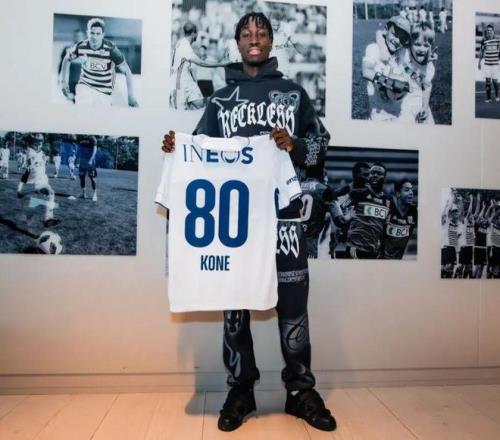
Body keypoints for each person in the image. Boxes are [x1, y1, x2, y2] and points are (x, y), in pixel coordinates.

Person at [161, 12, 335, 433]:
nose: (254, 38)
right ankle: (241, 389)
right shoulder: (220, 100)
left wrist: (295, 145)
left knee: (294, 307)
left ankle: (300, 391)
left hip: (284, 222)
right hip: (236, 227)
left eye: (261, 32)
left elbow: (321, 147)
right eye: (246, 33)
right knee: (234, 307)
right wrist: (177, 148)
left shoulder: (294, 94)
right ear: (237, 42)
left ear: (271, 41)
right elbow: (199, 151)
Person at [60, 18, 138, 107]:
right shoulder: (80, 46)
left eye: (98, 34)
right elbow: (67, 59)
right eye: (92, 33)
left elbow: (127, 71)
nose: (94, 37)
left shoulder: (111, 49)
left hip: (103, 91)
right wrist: (63, 82)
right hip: (85, 88)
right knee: (82, 109)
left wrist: (131, 96)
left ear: (102, 34)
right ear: (87, 33)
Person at [362, 16, 411, 121]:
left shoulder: (402, 53)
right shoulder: (374, 48)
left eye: (402, 38)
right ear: (386, 30)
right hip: (379, 115)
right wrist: (390, 83)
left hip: (399, 113)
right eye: (394, 34)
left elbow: (408, 71)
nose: (397, 40)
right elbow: (366, 71)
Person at [343, 163, 393, 259]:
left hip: (374, 249)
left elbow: (386, 227)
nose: (375, 175)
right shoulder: (357, 193)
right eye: (372, 173)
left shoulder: (388, 201)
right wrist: (347, 219)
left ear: (385, 178)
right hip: (356, 247)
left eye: (379, 173)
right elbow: (339, 208)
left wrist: (382, 248)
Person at [16, 133, 59, 227]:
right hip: (34, 182)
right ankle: (46, 218)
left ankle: (44, 219)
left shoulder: (41, 153)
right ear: (33, 142)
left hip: (42, 181)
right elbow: (29, 167)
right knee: (49, 193)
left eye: (41, 141)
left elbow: (41, 164)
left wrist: (44, 159)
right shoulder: (30, 151)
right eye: (38, 141)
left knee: (47, 196)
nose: (40, 143)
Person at [400, 23, 436, 124]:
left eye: (426, 46)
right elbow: (380, 34)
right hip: (403, 105)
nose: (421, 49)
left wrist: (425, 107)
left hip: (419, 104)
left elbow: (426, 88)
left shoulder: (429, 67)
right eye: (417, 44)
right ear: (409, 44)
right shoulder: (404, 54)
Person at [382, 178, 418, 260]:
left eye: (411, 190)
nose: (411, 193)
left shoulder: (414, 212)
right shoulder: (387, 207)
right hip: (381, 259)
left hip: (398, 260)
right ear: (398, 194)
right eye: (407, 190)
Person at [478, 24, 500, 103]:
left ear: (493, 31)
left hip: (495, 64)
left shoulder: (498, 41)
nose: (489, 32)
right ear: (486, 32)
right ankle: (488, 98)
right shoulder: (484, 41)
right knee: (487, 81)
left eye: (490, 30)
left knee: (495, 81)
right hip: (487, 64)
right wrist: (479, 62)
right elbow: (481, 52)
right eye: (488, 31)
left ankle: (497, 96)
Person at [77, 135, 98, 201]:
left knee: (92, 178)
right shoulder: (82, 141)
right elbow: (79, 151)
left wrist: (91, 160)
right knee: (81, 177)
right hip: (83, 161)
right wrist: (77, 160)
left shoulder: (93, 139)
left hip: (90, 162)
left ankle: (94, 194)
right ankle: (83, 193)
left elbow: (94, 151)